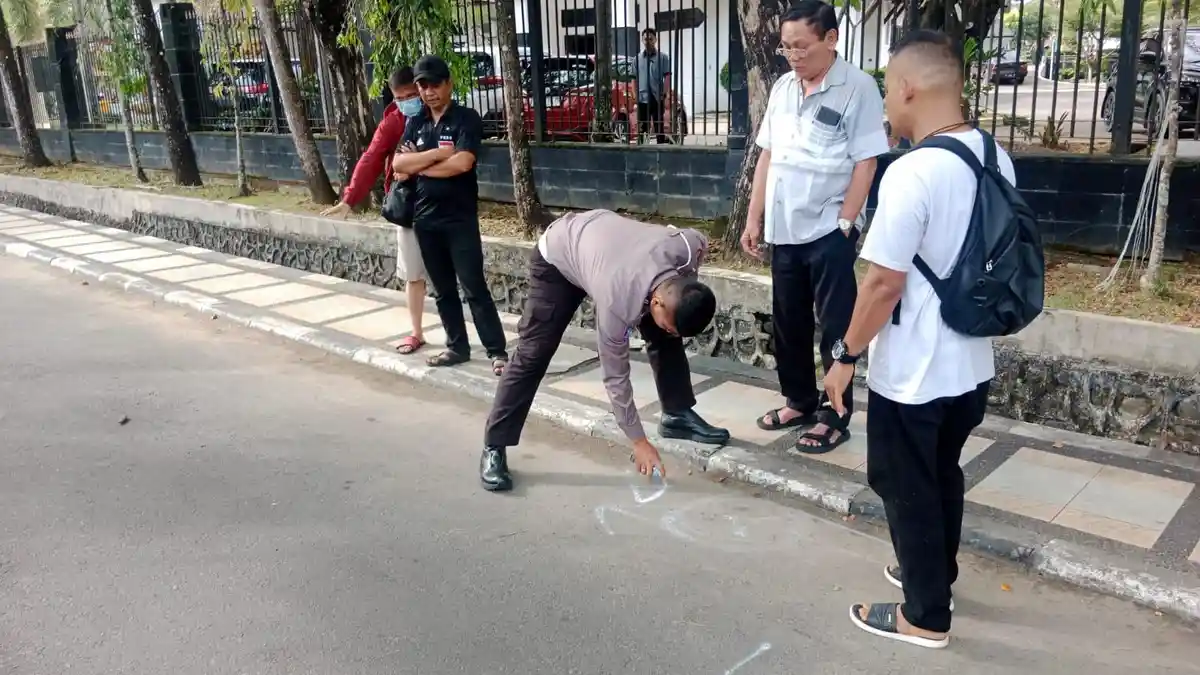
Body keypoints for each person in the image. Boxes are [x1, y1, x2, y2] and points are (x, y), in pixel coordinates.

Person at [822, 30, 1016, 649]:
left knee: (902, 481)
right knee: (941, 473)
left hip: (915, 371)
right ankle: (935, 573)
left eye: (886, 87)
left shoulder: (912, 172)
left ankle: (924, 614)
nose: (886, 103)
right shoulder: (993, 155)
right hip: (969, 362)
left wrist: (844, 357)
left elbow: (881, 284)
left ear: (907, 87)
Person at [478, 209, 731, 492]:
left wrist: (674, 318)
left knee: (664, 337)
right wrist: (639, 441)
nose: (672, 331)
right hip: (559, 256)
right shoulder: (617, 304)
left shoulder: (688, 246)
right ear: (656, 302)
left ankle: (677, 414)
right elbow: (615, 377)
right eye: (671, 325)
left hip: (607, 251)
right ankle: (494, 445)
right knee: (533, 353)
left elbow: (697, 250)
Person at [740, 0, 889, 455]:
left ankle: (835, 413)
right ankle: (800, 400)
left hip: (829, 229)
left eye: (802, 46)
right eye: (786, 48)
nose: (794, 56)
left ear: (830, 39)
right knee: (788, 321)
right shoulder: (784, 87)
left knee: (836, 324)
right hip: (784, 229)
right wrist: (753, 215)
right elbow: (767, 154)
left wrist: (846, 221)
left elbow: (867, 160)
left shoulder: (858, 87)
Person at [393, 55, 509, 376]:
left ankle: (496, 351)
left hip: (459, 220)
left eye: (434, 84)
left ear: (448, 83)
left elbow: (463, 164)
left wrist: (421, 165)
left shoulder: (466, 119)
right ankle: (457, 346)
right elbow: (399, 166)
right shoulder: (415, 122)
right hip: (425, 219)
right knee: (443, 290)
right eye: (422, 85)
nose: (428, 91)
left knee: (473, 286)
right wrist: (436, 157)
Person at [321, 67, 430, 355]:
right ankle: (416, 333)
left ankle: (465, 340)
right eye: (400, 97)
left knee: (454, 273)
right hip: (408, 206)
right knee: (413, 274)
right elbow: (370, 158)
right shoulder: (393, 123)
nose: (407, 101)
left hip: (443, 203)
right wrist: (349, 198)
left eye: (411, 95)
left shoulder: (438, 115)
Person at [635, 27, 672, 144]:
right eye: (645, 39)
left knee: (659, 128)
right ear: (642, 41)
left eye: (650, 39)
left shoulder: (663, 58)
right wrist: (635, 95)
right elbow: (633, 79)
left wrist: (665, 93)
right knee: (642, 128)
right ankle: (642, 150)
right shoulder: (637, 59)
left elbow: (667, 76)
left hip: (657, 97)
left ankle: (660, 150)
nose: (647, 42)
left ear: (655, 40)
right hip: (642, 98)